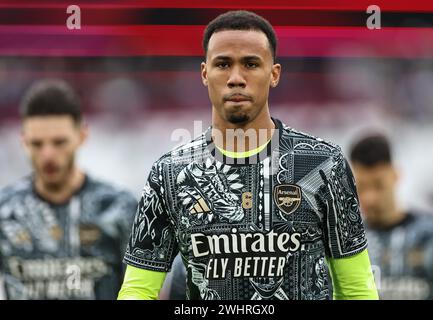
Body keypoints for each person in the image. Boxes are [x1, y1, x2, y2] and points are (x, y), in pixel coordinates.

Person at [118, 10, 378, 300]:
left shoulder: (323, 164)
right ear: (205, 74)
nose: (236, 78)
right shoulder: (169, 173)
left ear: (274, 74)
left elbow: (357, 290)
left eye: (251, 64)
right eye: (223, 64)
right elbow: (138, 291)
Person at [0, 79, 138, 299]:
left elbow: (144, 291)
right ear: (23, 142)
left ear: (82, 136)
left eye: (59, 142)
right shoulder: (6, 211)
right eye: (37, 144)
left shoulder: (120, 209)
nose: (47, 155)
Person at [349, 133, 433, 299]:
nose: (370, 197)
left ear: (396, 175)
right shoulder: (348, 246)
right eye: (362, 187)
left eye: (378, 185)